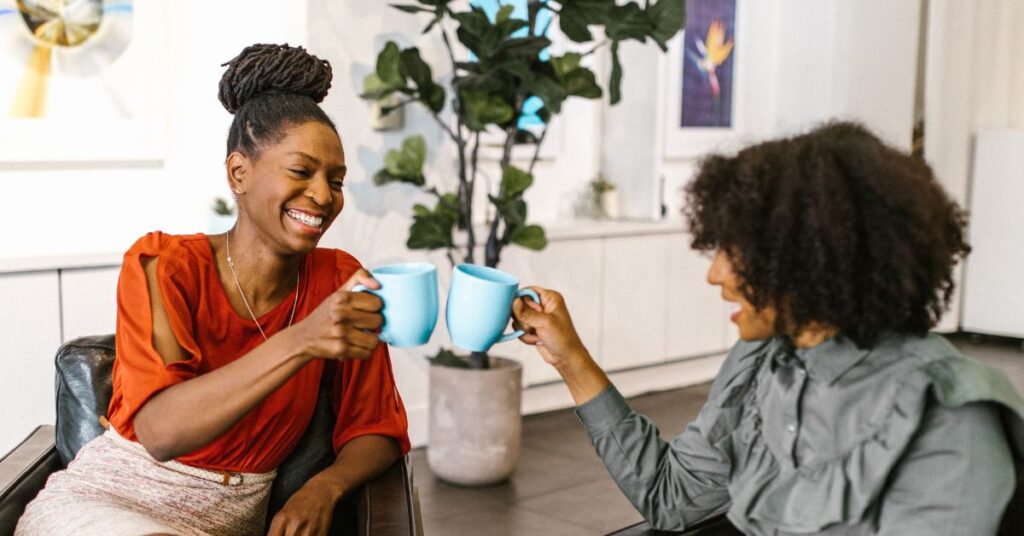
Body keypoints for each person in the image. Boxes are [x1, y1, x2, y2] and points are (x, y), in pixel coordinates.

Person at [512, 122, 1024, 535]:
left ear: (808, 258)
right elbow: (672, 499)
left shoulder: (949, 420)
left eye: (734, 251)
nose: (715, 274)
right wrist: (570, 358)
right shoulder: (763, 361)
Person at [16, 44, 409, 536]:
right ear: (238, 173)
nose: (324, 195)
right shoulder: (162, 264)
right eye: (301, 171)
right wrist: (302, 340)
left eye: (337, 179)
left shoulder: (338, 280)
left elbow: (377, 427)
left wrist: (324, 487)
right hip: (108, 501)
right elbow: (160, 432)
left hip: (224, 520)